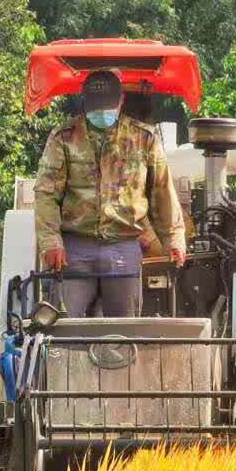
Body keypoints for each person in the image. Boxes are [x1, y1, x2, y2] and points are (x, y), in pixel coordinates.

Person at [33, 70, 187, 318]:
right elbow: (46, 194)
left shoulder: (143, 139)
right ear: (85, 102)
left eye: (107, 106)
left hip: (124, 246)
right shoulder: (64, 138)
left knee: (124, 332)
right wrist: (51, 242)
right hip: (75, 249)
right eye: (95, 107)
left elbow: (162, 190)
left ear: (121, 101)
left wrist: (174, 238)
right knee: (64, 329)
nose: (101, 112)